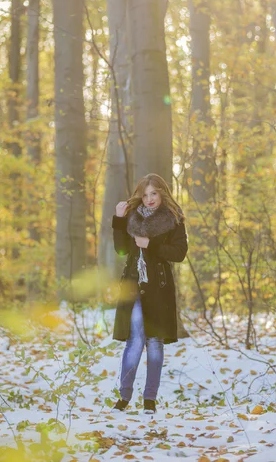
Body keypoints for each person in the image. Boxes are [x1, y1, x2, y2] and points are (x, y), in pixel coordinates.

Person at [111, 173, 188, 414]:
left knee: (154, 343)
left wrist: (150, 244)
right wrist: (119, 219)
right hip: (133, 285)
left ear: (162, 193)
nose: (149, 198)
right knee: (134, 340)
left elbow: (179, 253)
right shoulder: (131, 217)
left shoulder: (174, 218)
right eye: (145, 195)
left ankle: (150, 400)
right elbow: (122, 249)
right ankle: (124, 397)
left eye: (154, 193)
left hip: (159, 287)